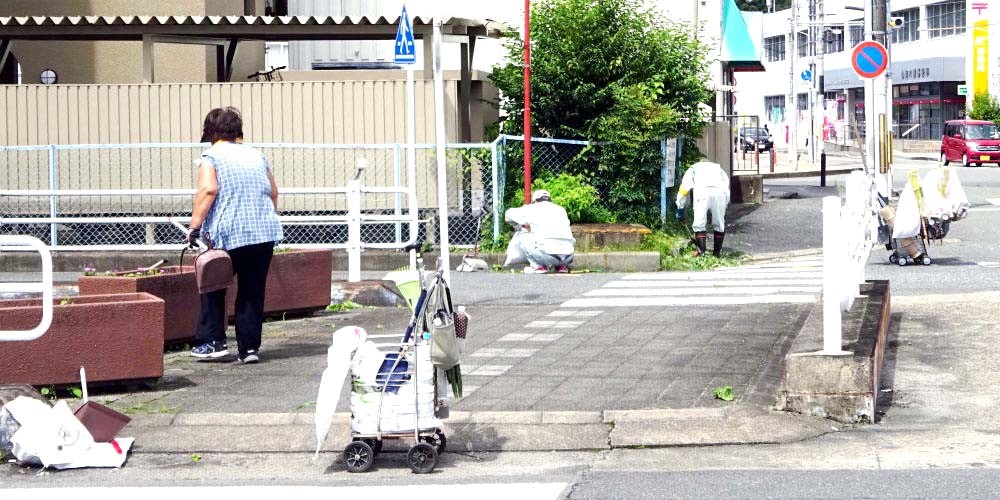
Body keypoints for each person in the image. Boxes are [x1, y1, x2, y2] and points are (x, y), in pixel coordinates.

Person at [188, 107, 283, 364]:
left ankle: (213, 342)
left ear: (210, 131)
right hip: (263, 232)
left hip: (227, 234)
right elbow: (273, 192)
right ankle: (249, 349)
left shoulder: (212, 156)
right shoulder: (256, 155)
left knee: (213, 285)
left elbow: (209, 190)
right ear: (237, 131)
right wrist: (261, 218)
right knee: (252, 291)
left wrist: (194, 227)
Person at [504, 189, 575, 273]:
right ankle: (561, 267)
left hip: (546, 256)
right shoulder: (561, 209)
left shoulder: (531, 208)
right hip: (568, 257)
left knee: (523, 233)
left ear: (535, 200)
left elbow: (508, 214)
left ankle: (538, 267)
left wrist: (520, 225)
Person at [675, 158, 730, 257]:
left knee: (699, 224)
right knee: (719, 224)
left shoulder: (693, 168)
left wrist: (680, 207)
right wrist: (723, 206)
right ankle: (717, 254)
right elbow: (726, 187)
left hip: (702, 193)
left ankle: (701, 252)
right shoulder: (718, 168)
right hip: (720, 193)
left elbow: (684, 189)